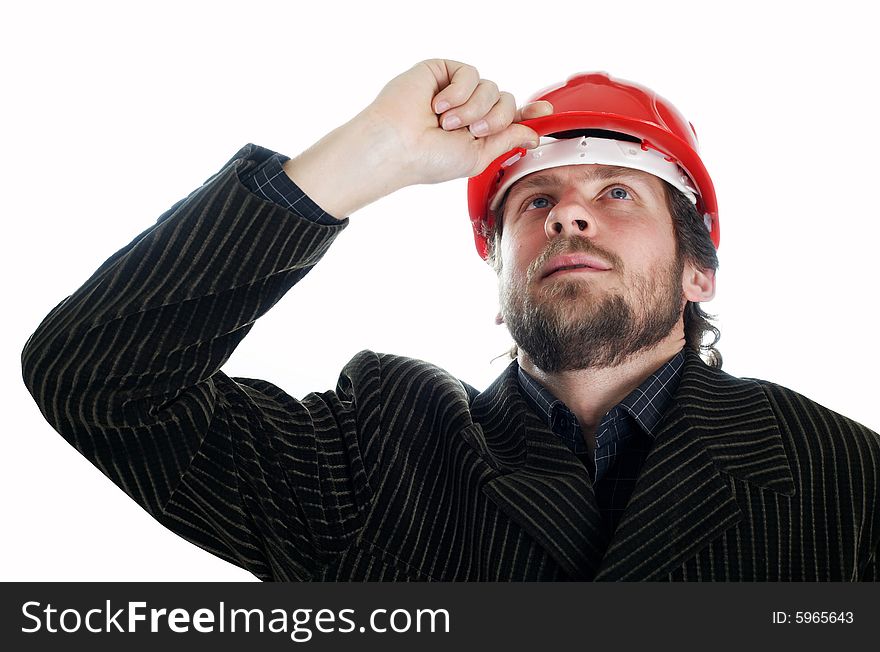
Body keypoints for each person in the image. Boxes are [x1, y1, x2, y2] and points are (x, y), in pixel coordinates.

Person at [21, 59, 879, 581]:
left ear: (699, 271)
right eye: (534, 199)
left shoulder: (845, 472)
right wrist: (371, 155)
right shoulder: (373, 444)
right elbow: (96, 381)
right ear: (501, 274)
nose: (568, 216)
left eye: (616, 194)